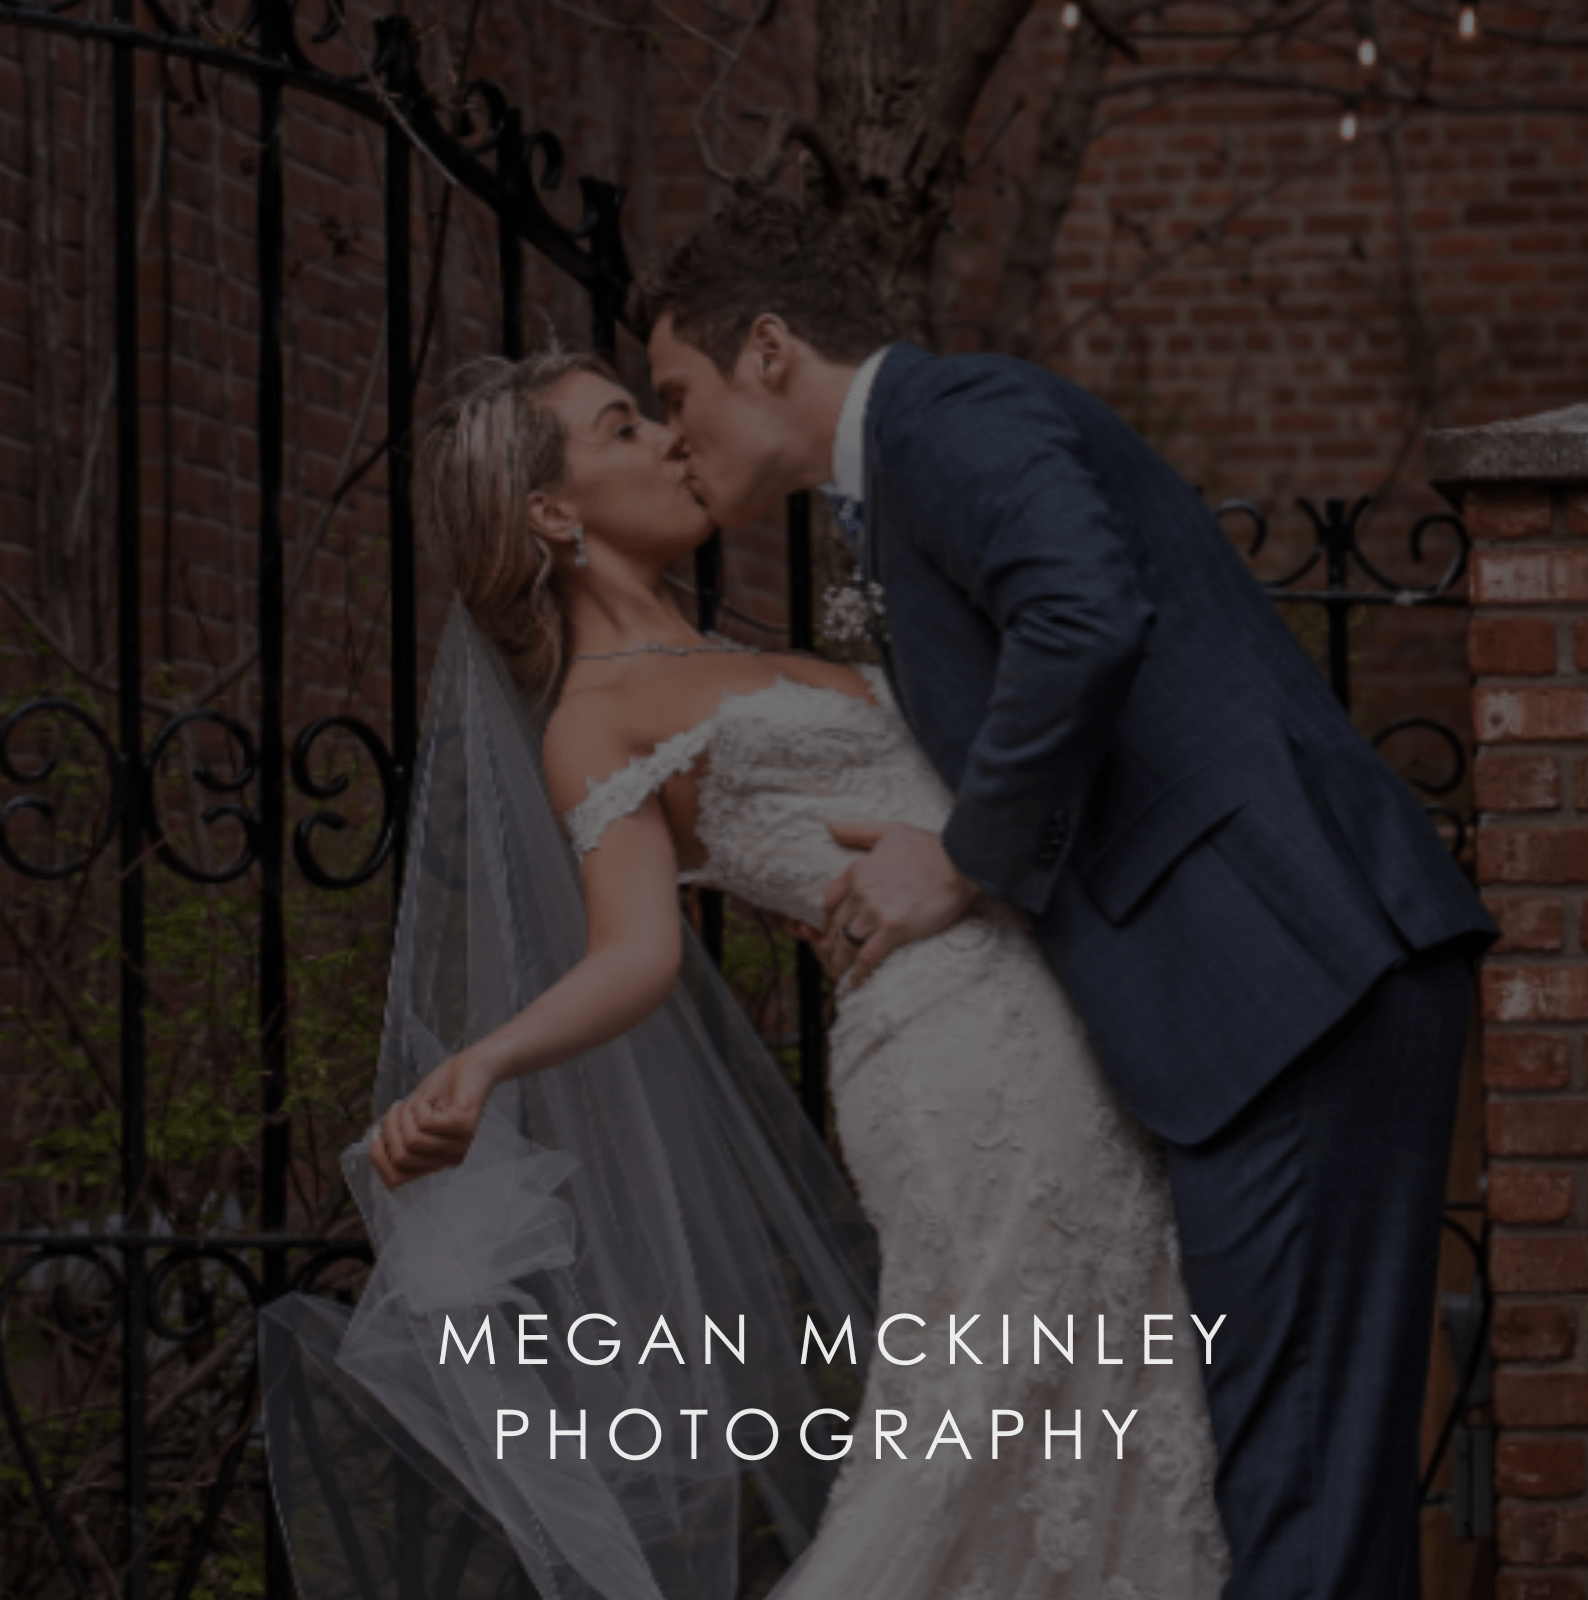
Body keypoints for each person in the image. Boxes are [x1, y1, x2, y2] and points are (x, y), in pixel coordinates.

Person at [637, 191, 1500, 1600]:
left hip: (1288, 985)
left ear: (773, 350)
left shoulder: (950, 422)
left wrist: (962, 856)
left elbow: (1084, 613)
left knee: (1295, 1495)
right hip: (1257, 1005)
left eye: (679, 394)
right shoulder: (914, 462)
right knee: (1296, 1487)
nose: (676, 434)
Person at [339, 347, 1229, 1599]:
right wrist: (483, 1060)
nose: (665, 438)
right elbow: (638, 949)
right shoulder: (593, 716)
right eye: (621, 427)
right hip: (948, 1060)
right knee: (980, 1417)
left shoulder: (739, 646)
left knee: (1105, 1402)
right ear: (551, 511)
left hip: (1057, 1025)